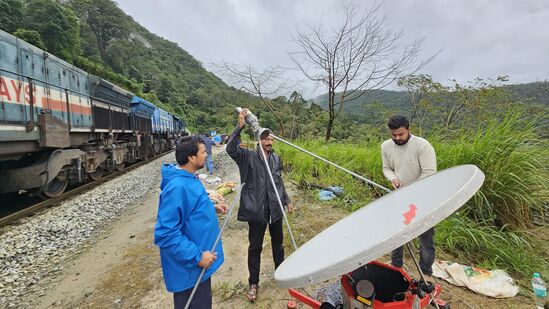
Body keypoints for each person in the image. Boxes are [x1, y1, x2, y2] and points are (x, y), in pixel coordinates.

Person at [226, 108, 293, 302]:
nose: (269, 142)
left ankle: (281, 273)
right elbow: (231, 149)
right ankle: (253, 283)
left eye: (271, 139)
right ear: (258, 140)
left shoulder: (275, 158)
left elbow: (278, 182)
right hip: (257, 212)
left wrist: (286, 200)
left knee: (278, 245)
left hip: (275, 210)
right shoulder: (247, 157)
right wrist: (239, 127)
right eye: (265, 139)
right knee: (255, 248)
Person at [154, 135, 228, 309]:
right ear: (191, 157)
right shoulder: (177, 188)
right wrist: (197, 256)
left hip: (200, 266)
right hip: (190, 270)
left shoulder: (190, 178)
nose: (207, 155)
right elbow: (166, 234)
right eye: (203, 152)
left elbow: (191, 207)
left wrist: (211, 207)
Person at [381, 115, 437, 275]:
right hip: (399, 196)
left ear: (408, 130)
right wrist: (393, 178)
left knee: (426, 238)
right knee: (397, 232)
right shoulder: (386, 146)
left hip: (424, 198)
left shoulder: (422, 146)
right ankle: (396, 266)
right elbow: (386, 168)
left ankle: (425, 272)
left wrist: (411, 191)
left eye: (401, 134)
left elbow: (429, 172)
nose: (397, 138)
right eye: (394, 135)